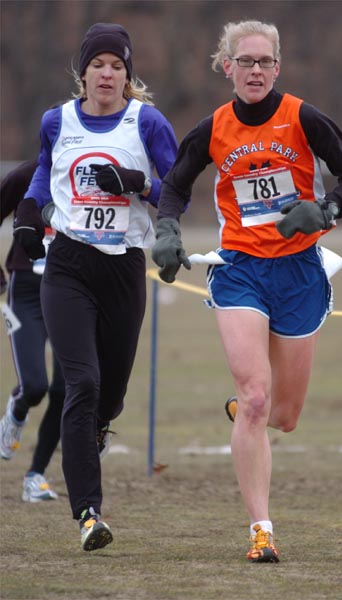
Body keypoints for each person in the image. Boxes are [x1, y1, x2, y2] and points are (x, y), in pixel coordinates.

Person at [151, 20, 342, 563]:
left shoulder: (303, 117)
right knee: (254, 399)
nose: (254, 71)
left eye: (264, 62)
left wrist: (324, 210)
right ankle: (261, 531)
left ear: (277, 67)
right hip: (240, 268)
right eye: (244, 61)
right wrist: (168, 229)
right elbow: (176, 184)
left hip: (298, 271)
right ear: (227, 67)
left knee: (285, 414)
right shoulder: (213, 128)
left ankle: (249, 411)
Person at [13, 22, 178, 551]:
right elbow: (45, 170)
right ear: (82, 71)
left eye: (117, 66)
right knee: (79, 384)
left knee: (108, 395)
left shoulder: (146, 123)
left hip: (124, 269)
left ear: (128, 76)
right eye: (98, 64)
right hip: (68, 265)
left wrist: (137, 183)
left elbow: (177, 193)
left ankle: (100, 426)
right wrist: (27, 213)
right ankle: (89, 514)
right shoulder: (56, 121)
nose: (107, 74)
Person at [0, 159, 65, 503]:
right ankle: (17, 408)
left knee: (65, 388)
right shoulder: (25, 176)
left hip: (69, 288)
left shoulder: (87, 172)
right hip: (22, 293)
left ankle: (35, 476)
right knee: (35, 385)